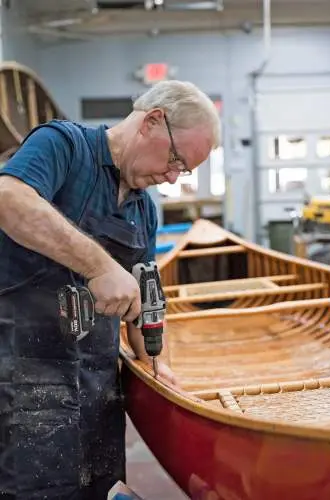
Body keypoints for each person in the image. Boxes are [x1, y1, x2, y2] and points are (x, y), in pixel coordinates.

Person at [0, 80, 221, 499]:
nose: (173, 178)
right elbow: (8, 199)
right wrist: (100, 266)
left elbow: (146, 297)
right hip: (23, 376)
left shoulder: (144, 208)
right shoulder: (63, 146)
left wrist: (153, 359)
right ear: (152, 121)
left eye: (185, 170)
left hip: (98, 387)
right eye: (176, 159)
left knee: (96, 489)